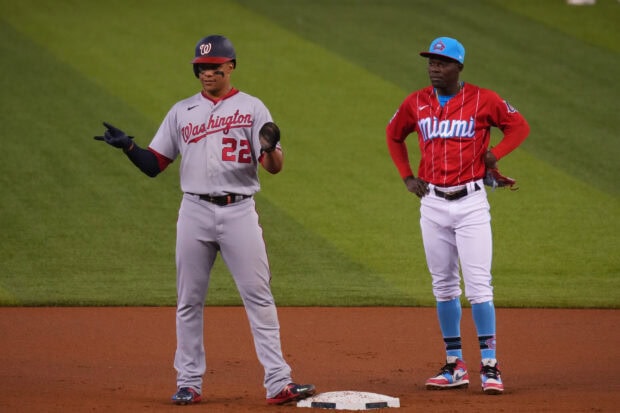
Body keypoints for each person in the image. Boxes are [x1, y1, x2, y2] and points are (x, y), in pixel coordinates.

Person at [94, 34, 315, 406]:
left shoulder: (252, 108)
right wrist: (130, 148)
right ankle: (189, 382)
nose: (206, 73)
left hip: (239, 211)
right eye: (200, 67)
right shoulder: (182, 112)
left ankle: (279, 382)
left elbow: (273, 167)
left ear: (230, 67)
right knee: (188, 300)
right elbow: (155, 165)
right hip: (193, 212)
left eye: (213, 67)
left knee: (258, 297)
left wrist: (269, 148)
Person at [385, 37, 530, 395]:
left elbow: (519, 126)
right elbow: (393, 135)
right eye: (431, 62)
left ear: (458, 67)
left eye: (442, 62)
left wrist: (495, 154)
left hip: (471, 204)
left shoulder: (485, 99)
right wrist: (406, 176)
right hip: (432, 203)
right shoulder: (415, 102)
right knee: (444, 285)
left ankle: (490, 366)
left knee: (479, 286)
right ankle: (455, 365)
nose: (434, 67)